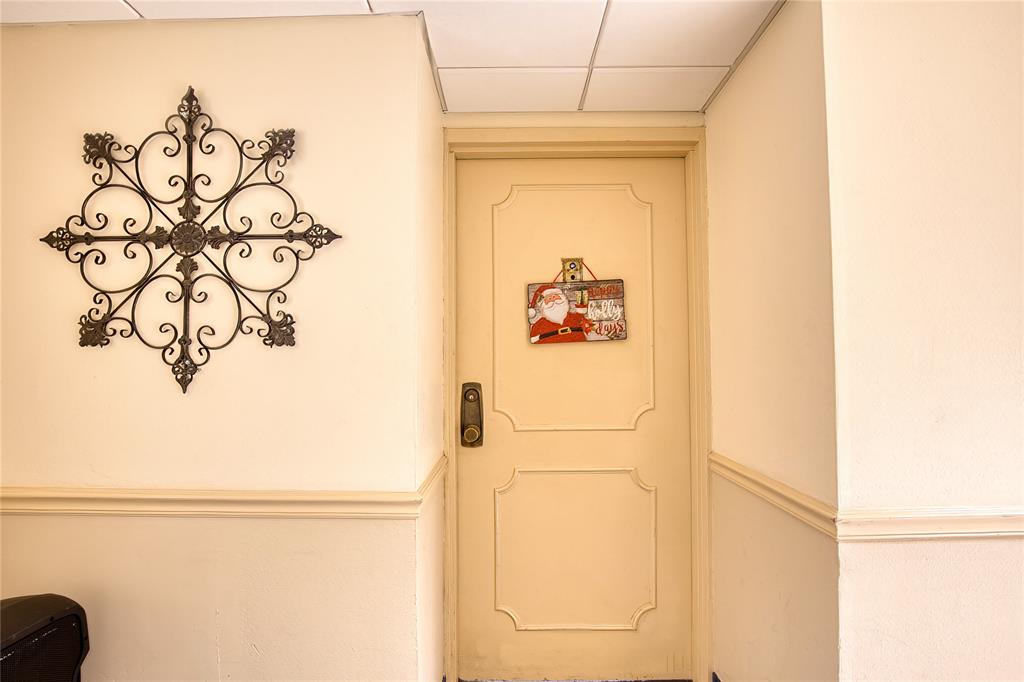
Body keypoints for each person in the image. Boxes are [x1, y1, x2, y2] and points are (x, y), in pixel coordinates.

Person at [528, 284, 592, 344]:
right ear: (543, 306)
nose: (553, 301)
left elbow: (590, 328)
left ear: (563, 298)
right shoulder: (539, 325)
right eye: (549, 299)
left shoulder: (576, 318)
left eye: (555, 297)